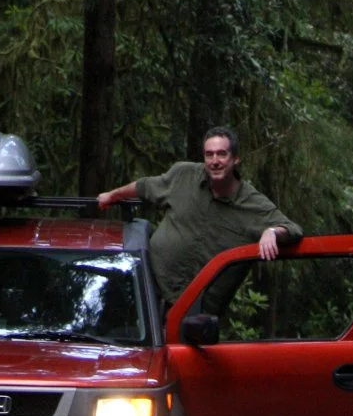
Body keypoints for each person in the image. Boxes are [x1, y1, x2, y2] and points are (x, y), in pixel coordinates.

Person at [98, 126, 303, 305]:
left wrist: (273, 231)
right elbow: (145, 186)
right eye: (209, 154)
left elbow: (293, 230)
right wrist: (111, 195)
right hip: (148, 293)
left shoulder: (251, 202)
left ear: (235, 158)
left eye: (222, 154)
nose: (215, 161)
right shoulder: (183, 175)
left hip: (194, 312)